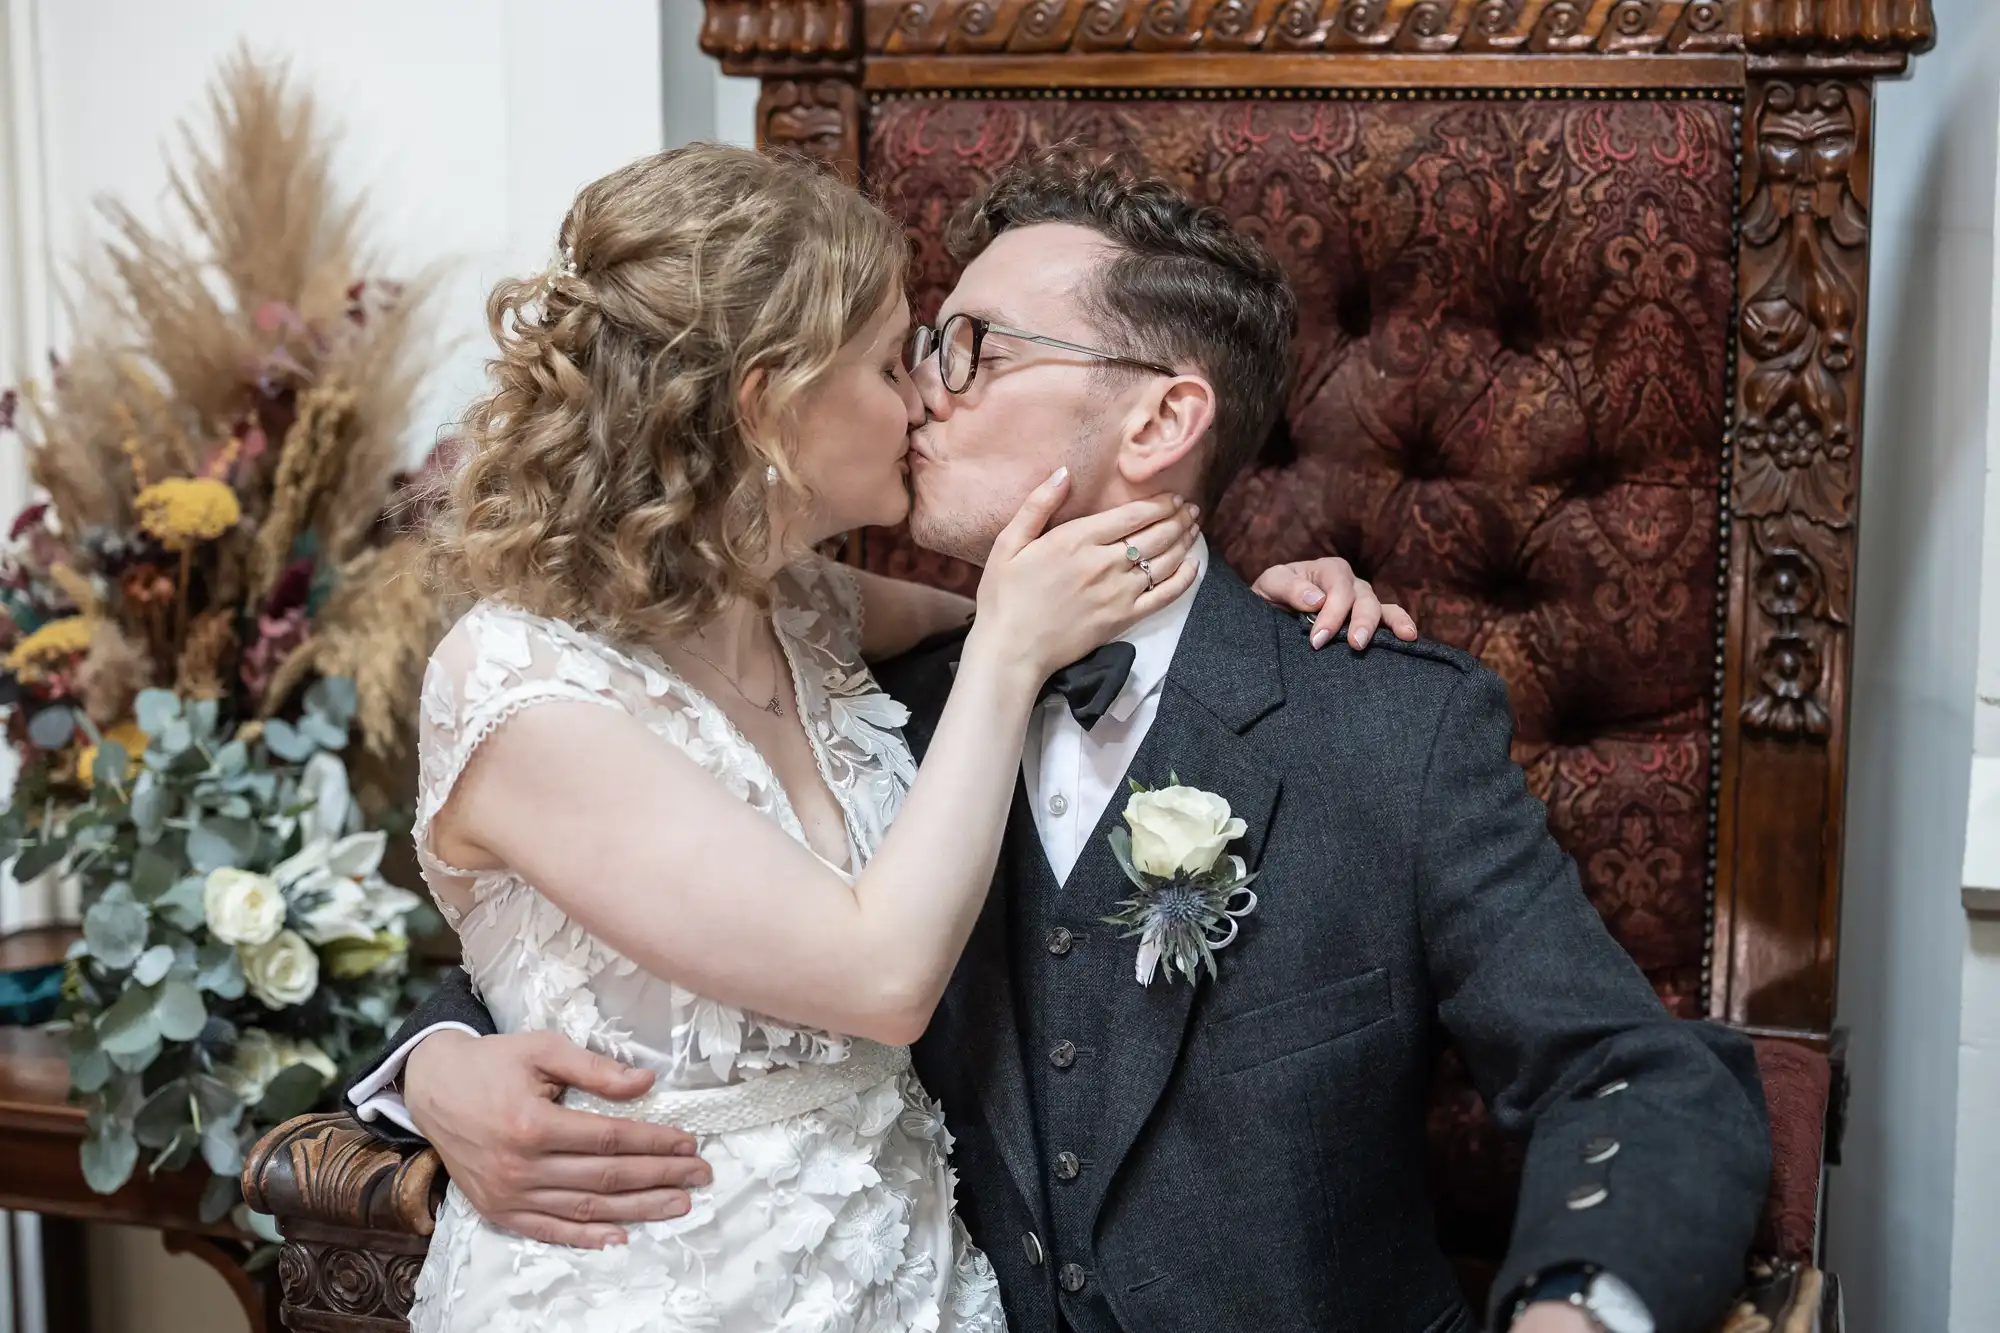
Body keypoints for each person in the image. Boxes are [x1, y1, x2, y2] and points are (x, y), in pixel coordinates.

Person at [358, 149, 1770, 1333]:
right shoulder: (881, 685)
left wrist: (1578, 1313)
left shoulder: (1376, 722)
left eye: (971, 348)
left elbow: (1632, 1075)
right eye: (911, 352)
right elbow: (601, 944)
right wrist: (431, 1067)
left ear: (1163, 416)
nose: (925, 395)